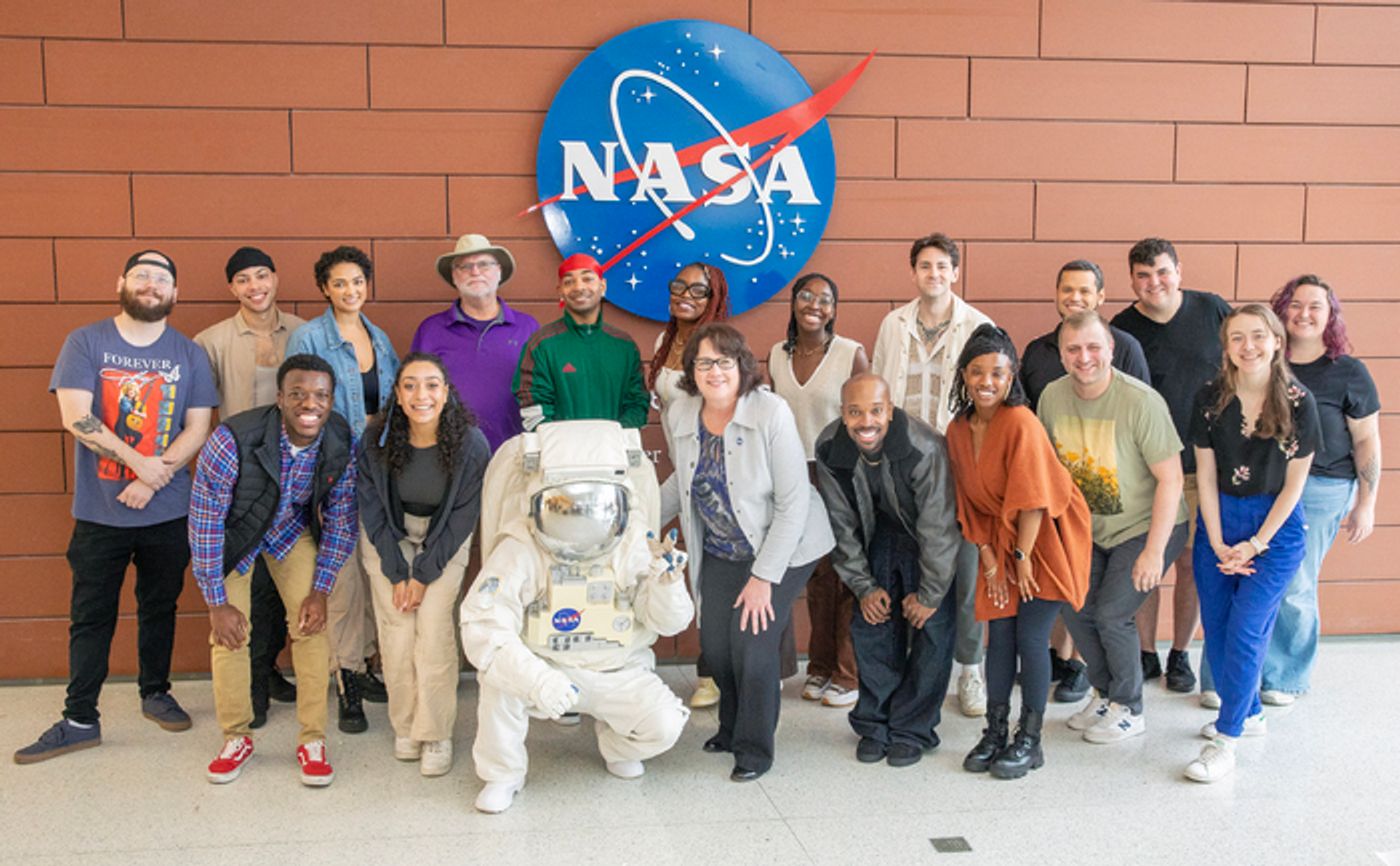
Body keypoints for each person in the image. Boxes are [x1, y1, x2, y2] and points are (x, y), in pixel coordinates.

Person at [16, 250, 218, 764]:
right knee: (91, 616)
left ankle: (155, 691)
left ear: (175, 294)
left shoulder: (189, 353)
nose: (152, 285)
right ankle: (80, 716)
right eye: (142, 275)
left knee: (159, 605)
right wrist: (139, 466)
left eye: (162, 279)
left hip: (167, 512)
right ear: (122, 283)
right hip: (100, 513)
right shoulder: (86, 342)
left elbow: (198, 426)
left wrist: (153, 481)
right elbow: (75, 417)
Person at [461, 420, 694, 813]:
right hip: (544, 666)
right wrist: (536, 680)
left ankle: (617, 744)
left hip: (616, 668)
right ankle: (503, 773)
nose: (583, 519)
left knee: (665, 723)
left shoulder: (634, 542)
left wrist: (667, 585)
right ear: (539, 500)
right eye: (567, 507)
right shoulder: (521, 546)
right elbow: (484, 628)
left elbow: (668, 624)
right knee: (498, 682)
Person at [659, 323, 835, 782]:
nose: (714, 371)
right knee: (717, 646)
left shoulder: (770, 412)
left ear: (742, 366)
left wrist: (763, 578)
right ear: (691, 370)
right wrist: (633, 525)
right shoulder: (681, 414)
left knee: (752, 646)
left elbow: (793, 503)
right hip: (722, 547)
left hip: (786, 545)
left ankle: (755, 748)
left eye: (724, 361)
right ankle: (730, 727)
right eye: (703, 362)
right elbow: (681, 485)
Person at [190, 354, 356, 787]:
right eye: (298, 394)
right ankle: (236, 737)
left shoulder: (340, 437)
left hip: (288, 533)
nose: (310, 404)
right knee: (231, 634)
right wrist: (216, 601)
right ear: (280, 398)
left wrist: (321, 589)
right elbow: (205, 522)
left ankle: (313, 739)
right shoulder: (231, 440)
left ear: (331, 400)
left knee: (311, 624)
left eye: (320, 395)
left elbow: (341, 519)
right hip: (235, 536)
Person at [944, 324, 1091, 780]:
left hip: (1044, 538)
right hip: (999, 543)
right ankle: (994, 732)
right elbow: (968, 504)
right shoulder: (956, 428)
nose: (987, 382)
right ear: (964, 376)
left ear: (1012, 379)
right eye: (977, 372)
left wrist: (1022, 560)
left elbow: (1032, 500)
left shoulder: (1021, 422)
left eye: (998, 374)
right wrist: (990, 561)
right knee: (1000, 637)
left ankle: (1031, 739)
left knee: (1030, 636)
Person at [1037, 312, 1189, 743]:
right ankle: (1105, 693)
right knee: (1076, 605)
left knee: (1112, 613)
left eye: (1093, 347)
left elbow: (1171, 480)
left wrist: (1154, 552)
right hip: (1089, 529)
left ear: (1111, 350)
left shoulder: (1140, 402)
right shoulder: (1052, 396)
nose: (1084, 358)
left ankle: (1130, 707)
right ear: (1062, 355)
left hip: (1148, 525)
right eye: (1073, 349)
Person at [1184, 304, 1320, 783]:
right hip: (1220, 521)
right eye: (1237, 338)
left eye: (1258, 336)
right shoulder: (1208, 397)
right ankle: (1251, 713)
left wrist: (1257, 544)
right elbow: (1203, 472)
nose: (1249, 347)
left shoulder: (1301, 402)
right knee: (1218, 633)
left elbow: (1294, 487)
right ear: (1226, 347)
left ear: (1277, 341)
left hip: (1274, 530)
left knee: (1246, 630)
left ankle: (1227, 740)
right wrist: (1218, 542)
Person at [870, 232, 991, 717]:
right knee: (908, 565)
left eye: (943, 266)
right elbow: (879, 390)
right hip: (904, 464)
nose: (934, 274)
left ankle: (970, 669)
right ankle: (914, 669)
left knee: (963, 571)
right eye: (925, 266)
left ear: (955, 272)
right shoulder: (893, 324)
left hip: (959, 461)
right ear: (914, 271)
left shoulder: (979, 326)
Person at [1020, 259, 1150, 702]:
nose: (1074, 298)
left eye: (1084, 291)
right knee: (1065, 576)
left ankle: (1080, 666)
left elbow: (1139, 414)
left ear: (1101, 297)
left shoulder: (1124, 346)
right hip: (1055, 487)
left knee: (1099, 593)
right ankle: (1063, 656)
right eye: (1066, 290)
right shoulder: (1038, 351)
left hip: (1112, 492)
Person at [814, 373, 959, 766]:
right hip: (878, 535)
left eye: (876, 411)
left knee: (932, 629)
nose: (867, 422)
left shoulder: (923, 447)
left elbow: (939, 527)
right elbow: (841, 525)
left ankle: (913, 728)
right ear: (843, 413)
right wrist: (863, 586)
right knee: (872, 623)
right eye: (855, 412)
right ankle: (875, 723)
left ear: (890, 410)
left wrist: (929, 595)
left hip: (927, 541)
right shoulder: (829, 447)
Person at [358, 353, 490, 777]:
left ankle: (435, 732)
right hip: (389, 537)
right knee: (396, 628)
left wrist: (423, 575)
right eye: (410, 385)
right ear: (397, 394)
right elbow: (373, 511)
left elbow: (461, 519)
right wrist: (399, 573)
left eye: (432, 385)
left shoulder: (471, 444)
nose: (421, 394)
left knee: (432, 627)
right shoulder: (376, 440)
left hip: (443, 537)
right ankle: (407, 726)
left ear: (446, 392)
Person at [1111, 238, 1232, 695]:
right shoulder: (1123, 328)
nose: (1153, 283)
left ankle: (1181, 653)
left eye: (1162, 272)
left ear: (1178, 271)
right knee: (1147, 560)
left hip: (1204, 466)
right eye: (1143, 276)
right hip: (1146, 470)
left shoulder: (1213, 310)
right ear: (1132, 282)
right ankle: (1146, 653)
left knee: (1190, 562)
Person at [288, 245, 399, 733]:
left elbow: (394, 404)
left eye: (358, 281)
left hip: (380, 469)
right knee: (343, 577)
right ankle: (345, 679)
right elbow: (301, 407)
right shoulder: (310, 337)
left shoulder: (380, 337)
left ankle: (369, 661)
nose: (350, 290)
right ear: (324, 288)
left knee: (380, 567)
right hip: (335, 470)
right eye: (339, 283)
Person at [195, 246, 306, 728]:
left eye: (262, 275)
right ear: (232, 288)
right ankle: (254, 689)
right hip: (240, 480)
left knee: (290, 589)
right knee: (252, 586)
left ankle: (271, 669)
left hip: (297, 475)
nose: (255, 286)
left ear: (276, 279)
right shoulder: (211, 341)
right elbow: (200, 414)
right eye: (243, 279)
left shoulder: (305, 332)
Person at [1260, 276, 1380, 705]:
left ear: (1330, 317)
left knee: (1295, 582)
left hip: (1323, 488)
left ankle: (1285, 677)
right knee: (1253, 578)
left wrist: (1366, 504)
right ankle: (1244, 671)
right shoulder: (1264, 361)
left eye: (1316, 307)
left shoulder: (1348, 371)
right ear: (1281, 309)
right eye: (1296, 304)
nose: (1304, 314)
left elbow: (1367, 440)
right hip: (1264, 484)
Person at [769, 273, 870, 709]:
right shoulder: (777, 355)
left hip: (843, 473)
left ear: (834, 308)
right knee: (816, 575)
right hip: (793, 475)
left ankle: (849, 674)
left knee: (847, 572)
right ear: (793, 303)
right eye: (805, 296)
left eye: (825, 299)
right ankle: (820, 667)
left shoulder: (851, 354)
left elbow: (870, 417)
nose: (814, 304)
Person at [646, 261, 732, 710]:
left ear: (713, 297)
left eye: (697, 291)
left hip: (710, 475)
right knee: (642, 531)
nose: (685, 295)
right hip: (681, 469)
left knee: (707, 572)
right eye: (678, 285)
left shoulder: (716, 347)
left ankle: (714, 672)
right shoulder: (665, 342)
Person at [410, 234, 539, 453]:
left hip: (514, 454)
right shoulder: (431, 330)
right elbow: (414, 393)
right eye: (465, 266)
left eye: (484, 264)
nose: (475, 272)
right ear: (454, 276)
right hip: (450, 456)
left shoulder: (528, 328)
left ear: (499, 271)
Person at [514, 253, 649, 431]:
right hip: (559, 454)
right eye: (569, 282)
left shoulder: (624, 346)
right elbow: (533, 404)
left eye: (587, 279)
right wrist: (567, 444)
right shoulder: (541, 344)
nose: (579, 287)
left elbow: (637, 404)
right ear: (560, 291)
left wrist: (610, 440)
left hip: (613, 453)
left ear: (602, 286)